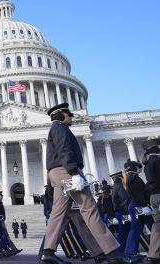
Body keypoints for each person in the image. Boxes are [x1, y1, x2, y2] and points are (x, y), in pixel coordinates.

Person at [40, 103, 123, 264]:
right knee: (89, 208)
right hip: (66, 171)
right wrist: (74, 173)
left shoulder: (56, 129)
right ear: (62, 115)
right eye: (69, 115)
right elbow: (64, 150)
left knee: (58, 214)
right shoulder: (60, 128)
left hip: (56, 174)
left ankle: (48, 253)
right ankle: (112, 254)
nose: (72, 117)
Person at [142, 138, 160, 264]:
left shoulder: (147, 164)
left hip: (154, 197)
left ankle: (153, 254)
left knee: (157, 225)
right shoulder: (157, 161)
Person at [110, 171, 129, 253]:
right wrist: (126, 209)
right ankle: (121, 251)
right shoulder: (119, 186)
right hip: (122, 211)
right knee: (123, 232)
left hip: (118, 211)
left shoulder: (114, 187)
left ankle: (121, 250)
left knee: (121, 232)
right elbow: (124, 198)